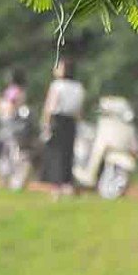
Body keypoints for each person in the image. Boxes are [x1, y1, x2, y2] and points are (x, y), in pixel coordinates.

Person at [39, 59, 86, 196]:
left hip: (57, 120)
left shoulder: (57, 86)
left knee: (55, 153)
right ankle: (68, 183)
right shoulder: (78, 87)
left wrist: (46, 124)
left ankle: (56, 185)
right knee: (68, 152)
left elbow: (50, 106)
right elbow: (79, 109)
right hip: (71, 121)